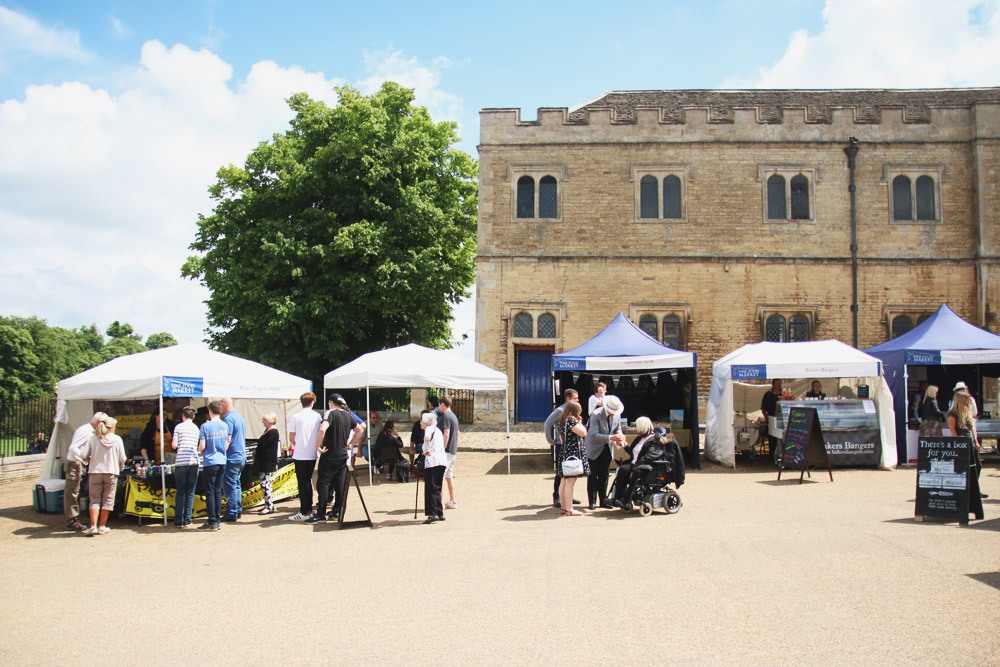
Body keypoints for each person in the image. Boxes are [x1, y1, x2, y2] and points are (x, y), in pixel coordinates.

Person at [308, 394, 360, 523]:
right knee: (340, 484)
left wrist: (318, 446)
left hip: (329, 453)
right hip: (343, 454)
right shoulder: (348, 415)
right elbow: (359, 429)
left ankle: (321, 513)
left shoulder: (330, 413)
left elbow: (322, 430)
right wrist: (351, 443)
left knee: (323, 483)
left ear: (331, 402)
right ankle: (337, 511)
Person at [83, 415, 127, 536]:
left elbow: (84, 454)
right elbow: (123, 458)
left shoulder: (93, 438)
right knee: (108, 500)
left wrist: (90, 459)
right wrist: (121, 466)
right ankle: (102, 526)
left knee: (94, 500)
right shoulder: (117, 439)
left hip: (95, 471)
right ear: (112, 427)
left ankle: (93, 526)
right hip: (111, 471)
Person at [64, 412, 105, 531]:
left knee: (76, 491)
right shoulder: (85, 431)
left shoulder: (88, 430)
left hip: (78, 463)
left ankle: (74, 518)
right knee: (72, 492)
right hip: (75, 464)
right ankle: (71, 520)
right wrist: (82, 459)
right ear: (99, 423)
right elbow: (73, 447)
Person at [584, 394, 625, 510]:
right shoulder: (596, 414)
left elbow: (618, 428)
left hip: (607, 448)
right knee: (593, 475)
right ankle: (592, 501)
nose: (613, 414)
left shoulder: (617, 415)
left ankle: (603, 500)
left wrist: (620, 438)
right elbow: (593, 434)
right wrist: (611, 437)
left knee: (604, 475)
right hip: (594, 448)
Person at [287, 392, 322, 521]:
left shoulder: (295, 416)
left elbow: (291, 437)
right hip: (312, 453)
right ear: (312, 402)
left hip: (300, 454)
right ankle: (308, 508)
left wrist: (298, 444)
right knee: (308, 480)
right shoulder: (317, 416)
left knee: (303, 483)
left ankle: (305, 510)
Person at [544, 388, 581, 507]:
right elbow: (547, 423)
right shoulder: (560, 410)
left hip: (571, 444)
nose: (578, 400)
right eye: (575, 398)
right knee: (561, 472)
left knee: (571, 472)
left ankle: (568, 496)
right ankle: (557, 497)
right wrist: (550, 439)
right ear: (568, 399)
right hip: (561, 444)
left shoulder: (572, 411)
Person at [610, 416, 657, 507]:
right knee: (623, 469)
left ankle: (626, 500)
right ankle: (617, 498)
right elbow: (632, 453)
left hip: (645, 467)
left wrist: (635, 468)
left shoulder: (653, 441)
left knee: (636, 472)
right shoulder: (639, 438)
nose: (636, 429)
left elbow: (648, 458)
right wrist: (625, 446)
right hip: (634, 464)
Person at [198, 401, 229, 531]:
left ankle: (212, 521)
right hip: (222, 460)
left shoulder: (205, 426)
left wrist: (205, 453)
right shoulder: (225, 425)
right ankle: (217, 518)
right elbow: (228, 442)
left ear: (210, 411)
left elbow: (201, 446)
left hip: (210, 461)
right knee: (218, 491)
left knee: (210, 491)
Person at [556, 400, 589, 516]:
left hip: (564, 451)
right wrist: (580, 422)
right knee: (570, 482)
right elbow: (583, 432)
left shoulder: (562, 421)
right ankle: (569, 509)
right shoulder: (571, 421)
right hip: (573, 453)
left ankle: (564, 507)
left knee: (564, 481)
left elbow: (561, 438)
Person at [171, 406, 201, 528]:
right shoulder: (196, 428)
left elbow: (174, 445)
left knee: (180, 492)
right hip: (193, 461)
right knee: (190, 492)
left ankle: (179, 519)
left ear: (183, 416)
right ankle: (188, 519)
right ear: (193, 417)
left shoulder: (178, 427)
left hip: (181, 462)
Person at [220, 397, 246, 523]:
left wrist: (221, 451)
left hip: (232, 456)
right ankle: (237, 509)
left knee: (230, 485)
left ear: (224, 404)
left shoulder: (228, 418)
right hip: (240, 455)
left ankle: (232, 512)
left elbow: (227, 438)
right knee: (236, 483)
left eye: (221, 405)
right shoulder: (239, 416)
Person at [420, 411, 448, 523]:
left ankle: (433, 513)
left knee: (431, 488)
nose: (420, 422)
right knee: (437, 487)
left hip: (432, 461)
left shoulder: (429, 429)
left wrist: (427, 448)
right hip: (442, 461)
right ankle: (439, 512)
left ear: (426, 422)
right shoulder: (438, 431)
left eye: (422, 420)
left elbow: (427, 437)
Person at [256, 412, 281, 515]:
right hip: (263, 461)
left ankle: (269, 506)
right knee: (264, 483)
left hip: (268, 462)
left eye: (264, 420)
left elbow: (265, 446)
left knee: (266, 484)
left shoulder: (273, 432)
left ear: (270, 420)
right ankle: (267, 503)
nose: (263, 422)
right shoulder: (267, 431)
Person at [439, 396, 460, 509]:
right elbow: (457, 434)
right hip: (453, 450)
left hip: (447, 451)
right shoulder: (454, 416)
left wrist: (442, 448)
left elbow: (446, 433)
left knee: (441, 477)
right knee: (449, 476)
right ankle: (452, 501)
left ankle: (440, 502)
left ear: (442, 404)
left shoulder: (446, 416)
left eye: (439, 405)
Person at [760, 379, 782, 455]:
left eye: (780, 383)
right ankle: (772, 455)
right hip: (771, 418)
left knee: (781, 437)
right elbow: (763, 409)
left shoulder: (784, 394)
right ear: (773, 385)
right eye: (777, 384)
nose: (779, 385)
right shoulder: (768, 394)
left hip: (782, 419)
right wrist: (766, 418)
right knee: (772, 437)